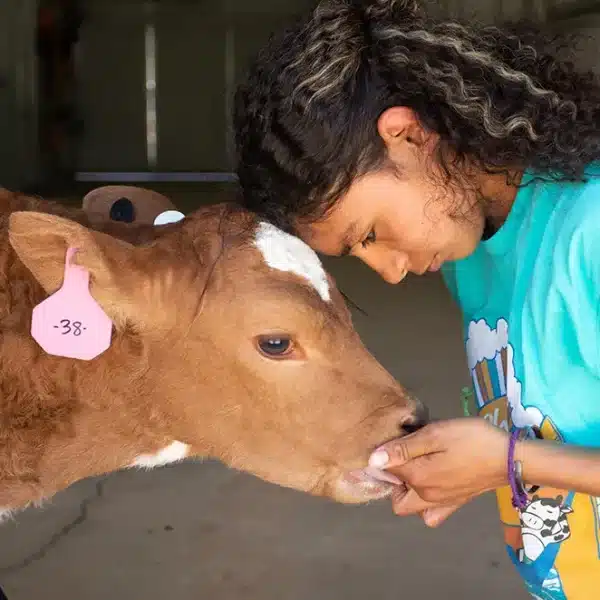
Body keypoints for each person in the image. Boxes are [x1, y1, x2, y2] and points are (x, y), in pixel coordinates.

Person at [232, 0, 600, 598]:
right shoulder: (474, 253)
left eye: (370, 233)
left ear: (407, 136)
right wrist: (478, 465)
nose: (390, 273)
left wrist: (510, 463)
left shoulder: (590, 228)